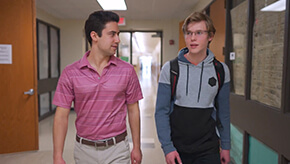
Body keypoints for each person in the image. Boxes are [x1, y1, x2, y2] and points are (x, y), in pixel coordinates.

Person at [53, 10, 143, 164]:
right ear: (94, 36)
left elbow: (133, 109)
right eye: (112, 34)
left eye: (118, 34)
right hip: (84, 150)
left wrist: (137, 146)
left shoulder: (127, 71)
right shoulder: (70, 73)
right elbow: (61, 116)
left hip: (118, 148)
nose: (117, 40)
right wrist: (57, 155)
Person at [155, 12, 231, 164]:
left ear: (210, 36)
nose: (193, 38)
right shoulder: (170, 69)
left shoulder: (221, 70)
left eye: (199, 33)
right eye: (189, 33)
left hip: (209, 148)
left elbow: (224, 112)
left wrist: (226, 146)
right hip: (178, 148)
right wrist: (168, 147)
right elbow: (161, 112)